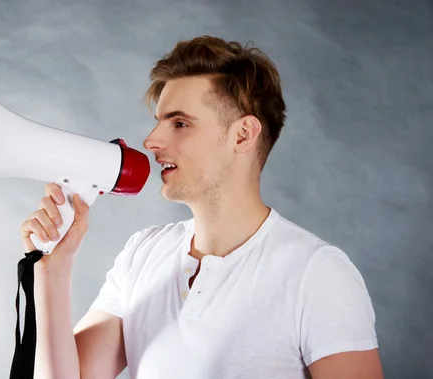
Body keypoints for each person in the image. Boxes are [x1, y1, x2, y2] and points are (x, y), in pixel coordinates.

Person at [20, 35, 384, 379]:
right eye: (158, 122)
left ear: (242, 134)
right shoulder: (142, 255)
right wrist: (53, 268)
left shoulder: (317, 273)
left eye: (180, 123)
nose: (151, 141)